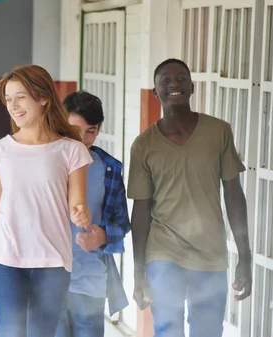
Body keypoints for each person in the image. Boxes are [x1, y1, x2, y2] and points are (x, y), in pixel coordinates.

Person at [127, 58, 252, 337]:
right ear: (155, 92)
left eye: (181, 79)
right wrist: (139, 272)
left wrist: (245, 255)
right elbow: (141, 211)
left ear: (192, 87)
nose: (174, 84)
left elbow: (234, 195)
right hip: (163, 252)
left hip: (210, 253)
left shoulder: (218, 131)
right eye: (166, 81)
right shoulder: (144, 145)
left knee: (207, 332)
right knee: (168, 329)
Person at [0, 64, 93, 337]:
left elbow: (78, 204)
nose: (13, 105)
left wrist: (82, 215)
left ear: (43, 98)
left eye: (21, 97)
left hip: (52, 262)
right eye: (8, 99)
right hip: (4, 260)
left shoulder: (71, 150)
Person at [55, 91, 130, 337]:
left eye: (91, 131)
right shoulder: (45, 163)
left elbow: (122, 222)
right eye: (76, 129)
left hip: (90, 282)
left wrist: (103, 236)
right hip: (47, 282)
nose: (83, 138)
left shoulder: (109, 167)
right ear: (61, 122)